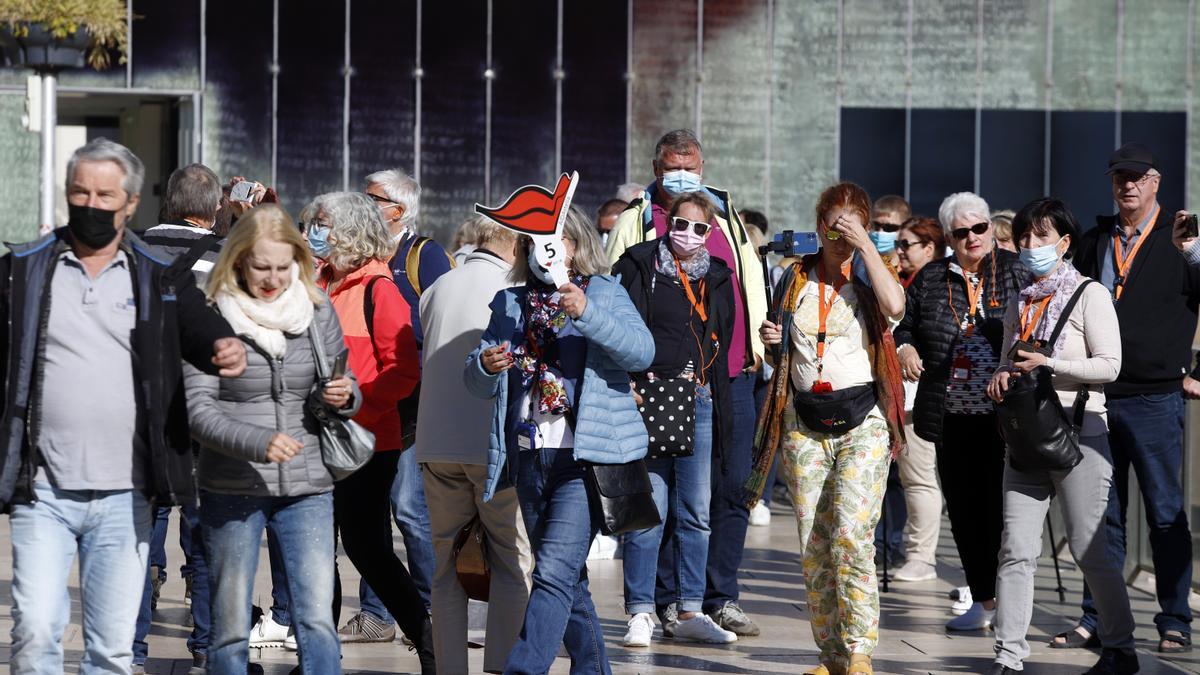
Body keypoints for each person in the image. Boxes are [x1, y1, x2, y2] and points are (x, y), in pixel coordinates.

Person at [1, 137, 246, 674]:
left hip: (127, 490)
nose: (91, 205)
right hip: (41, 488)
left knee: (110, 650)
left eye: (105, 196)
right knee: (36, 630)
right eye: (79, 192)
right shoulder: (22, 270)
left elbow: (201, 327)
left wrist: (222, 346)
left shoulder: (156, 273)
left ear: (131, 205)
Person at [465, 207, 653, 674]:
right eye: (532, 242)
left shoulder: (604, 292)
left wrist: (587, 314)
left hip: (585, 458)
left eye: (555, 240)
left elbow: (641, 350)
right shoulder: (509, 301)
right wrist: (484, 366)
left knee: (550, 572)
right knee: (569, 579)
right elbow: (474, 378)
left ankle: (523, 669)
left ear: (576, 245)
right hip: (529, 456)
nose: (542, 251)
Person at [605, 128, 767, 637]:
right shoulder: (636, 226)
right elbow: (614, 299)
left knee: (728, 489)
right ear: (657, 169)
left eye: (691, 165)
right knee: (657, 499)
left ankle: (718, 598)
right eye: (674, 166)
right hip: (655, 386)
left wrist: (761, 346)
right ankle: (656, 602)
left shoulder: (725, 219)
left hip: (728, 377)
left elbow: (746, 286)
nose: (683, 174)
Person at [186, 204, 355, 674]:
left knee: (316, 621)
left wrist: (345, 394)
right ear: (238, 258)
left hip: (308, 486)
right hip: (232, 485)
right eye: (262, 266)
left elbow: (344, 383)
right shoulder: (209, 312)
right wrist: (257, 441)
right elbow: (197, 410)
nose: (273, 278)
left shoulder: (314, 310)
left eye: (284, 267)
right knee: (231, 625)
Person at [754, 182, 906, 675]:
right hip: (804, 421)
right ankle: (832, 655)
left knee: (851, 534)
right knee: (814, 541)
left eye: (851, 225)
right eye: (833, 226)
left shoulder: (869, 276)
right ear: (818, 226)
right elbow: (782, 353)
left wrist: (865, 244)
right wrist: (773, 340)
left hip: (863, 420)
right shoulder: (793, 279)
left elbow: (896, 307)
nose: (839, 235)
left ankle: (861, 648)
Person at [985, 197, 1137, 675]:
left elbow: (1110, 366)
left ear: (1065, 243)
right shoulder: (1019, 298)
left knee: (1089, 550)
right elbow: (1012, 357)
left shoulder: (1089, 294)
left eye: (1042, 237)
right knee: (1016, 550)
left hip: (1080, 432)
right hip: (1027, 435)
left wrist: (1052, 363)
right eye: (1025, 237)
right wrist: (1002, 374)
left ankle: (1120, 646)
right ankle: (1008, 657)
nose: (1031, 246)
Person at [1059, 143, 1198, 654]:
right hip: (1096, 397)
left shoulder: (1181, 240)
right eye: (1120, 176)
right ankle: (1100, 618)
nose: (1128, 185)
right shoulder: (1096, 240)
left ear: (1157, 182)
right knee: (1101, 515)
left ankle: (1175, 619)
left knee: (1164, 513)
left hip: (1156, 398)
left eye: (1138, 177)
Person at [894, 192, 1028, 630]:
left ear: (991, 227)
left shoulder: (1015, 271)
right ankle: (983, 601)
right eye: (961, 231)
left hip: (1005, 416)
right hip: (950, 413)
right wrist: (906, 346)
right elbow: (906, 325)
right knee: (966, 511)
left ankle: (1011, 605)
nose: (972, 237)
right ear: (949, 236)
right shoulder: (932, 277)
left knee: (1006, 513)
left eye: (979, 228)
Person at [312, 191, 434, 671]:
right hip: (316, 441)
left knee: (368, 551)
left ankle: (428, 642)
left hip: (365, 444)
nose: (315, 231)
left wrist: (357, 405)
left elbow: (403, 371)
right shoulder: (319, 283)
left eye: (323, 223)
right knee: (315, 554)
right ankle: (319, 656)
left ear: (349, 231)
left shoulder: (378, 290)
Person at [612, 192, 738, 647]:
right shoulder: (639, 264)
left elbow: (720, 340)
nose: (687, 234)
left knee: (696, 513)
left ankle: (689, 609)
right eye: (680, 224)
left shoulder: (720, 277)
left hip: (698, 399)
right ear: (668, 223)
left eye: (699, 228)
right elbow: (617, 325)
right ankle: (641, 611)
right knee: (650, 509)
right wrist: (625, 380)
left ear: (712, 234)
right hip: (648, 397)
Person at [417, 219, 533, 673]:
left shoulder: (439, 286)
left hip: (435, 443)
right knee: (510, 559)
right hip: (493, 446)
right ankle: (504, 665)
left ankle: (450, 669)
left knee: (445, 567)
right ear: (514, 245)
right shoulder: (514, 290)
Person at [343, 169, 451, 641]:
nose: (363, 203)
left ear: (398, 210)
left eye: (372, 197)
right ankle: (378, 613)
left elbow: (443, 317)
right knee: (371, 516)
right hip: (367, 403)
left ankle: (428, 610)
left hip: (411, 400)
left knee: (408, 507)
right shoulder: (356, 257)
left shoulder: (424, 255)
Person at [135, 162, 228, 674]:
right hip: (203, 410)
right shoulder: (223, 258)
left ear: (170, 202)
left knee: (142, 526)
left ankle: (130, 649)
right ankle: (209, 646)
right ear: (214, 208)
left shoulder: (131, 252)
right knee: (206, 527)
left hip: (143, 410)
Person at [888, 215, 946, 584]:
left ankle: (922, 557)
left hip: (922, 396)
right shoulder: (903, 281)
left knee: (920, 478)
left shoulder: (936, 284)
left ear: (929, 247)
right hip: (901, 395)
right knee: (913, 478)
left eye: (906, 244)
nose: (899, 252)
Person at [894, 217, 945, 287]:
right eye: (897, 244)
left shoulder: (941, 286)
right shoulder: (894, 281)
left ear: (929, 249)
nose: (898, 251)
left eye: (905, 244)